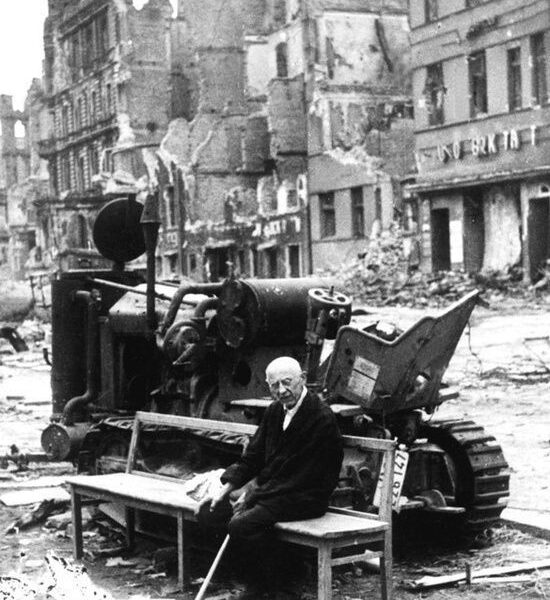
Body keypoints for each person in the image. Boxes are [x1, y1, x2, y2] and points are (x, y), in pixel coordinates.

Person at [197, 356, 344, 599]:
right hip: (276, 493)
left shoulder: (321, 418)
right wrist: (225, 489)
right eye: (274, 385)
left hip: (306, 495)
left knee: (242, 525)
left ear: (302, 379)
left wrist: (252, 496)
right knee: (211, 512)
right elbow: (253, 456)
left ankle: (284, 585)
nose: (282, 391)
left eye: (287, 382)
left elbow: (300, 476)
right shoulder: (275, 410)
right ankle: (260, 581)